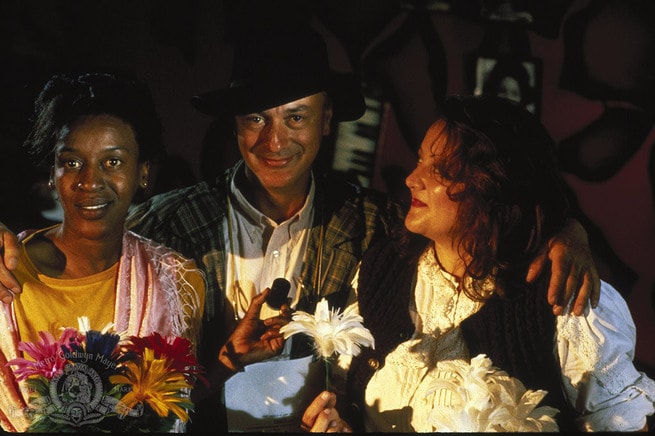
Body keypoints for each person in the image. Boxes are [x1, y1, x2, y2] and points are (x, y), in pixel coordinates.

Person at [0, 27, 599, 432]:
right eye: (255, 118)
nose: (274, 141)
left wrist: (568, 228)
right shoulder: (168, 227)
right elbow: (79, 259)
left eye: (295, 117)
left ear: (328, 119)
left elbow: (488, 207)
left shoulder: (377, 226)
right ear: (234, 124)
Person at [301, 95, 655, 432]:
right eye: (420, 159)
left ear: (491, 186)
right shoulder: (382, 266)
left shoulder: (563, 299)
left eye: (439, 170)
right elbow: (348, 397)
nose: (412, 179)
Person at [0, 73, 206, 432]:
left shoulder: (176, 281)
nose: (90, 182)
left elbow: (176, 408)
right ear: (52, 173)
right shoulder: (7, 272)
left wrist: (228, 364)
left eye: (112, 162)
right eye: (73, 162)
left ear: (143, 173)